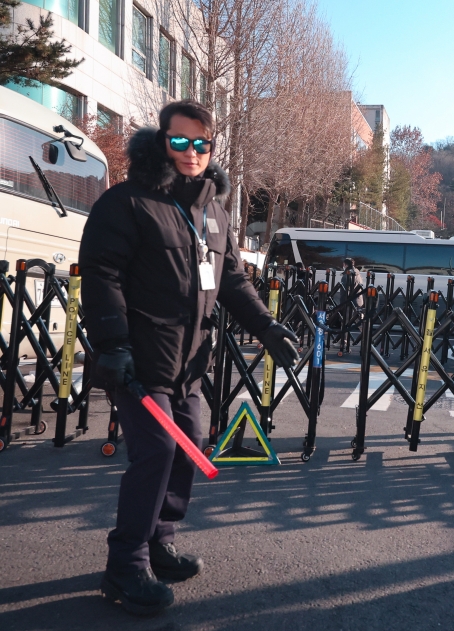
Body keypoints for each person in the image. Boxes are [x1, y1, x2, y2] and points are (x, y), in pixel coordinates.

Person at [80, 100, 300, 615]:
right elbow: (102, 275)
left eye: (202, 144)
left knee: (188, 447)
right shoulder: (126, 203)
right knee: (156, 449)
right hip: (140, 361)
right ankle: (126, 565)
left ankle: (160, 540)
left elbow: (233, 284)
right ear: (161, 141)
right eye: (180, 141)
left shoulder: (215, 213)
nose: (192, 153)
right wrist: (112, 346)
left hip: (189, 364)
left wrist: (266, 327)